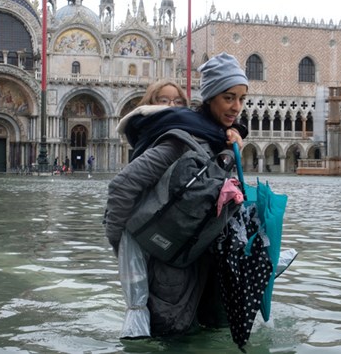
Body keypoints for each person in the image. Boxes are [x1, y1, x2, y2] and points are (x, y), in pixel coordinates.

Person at [104, 53, 248, 337]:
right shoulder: (181, 141)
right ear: (210, 98)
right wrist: (123, 246)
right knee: (173, 339)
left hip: (203, 266)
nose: (237, 107)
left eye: (242, 99)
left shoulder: (218, 138)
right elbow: (122, 187)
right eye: (229, 97)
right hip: (170, 274)